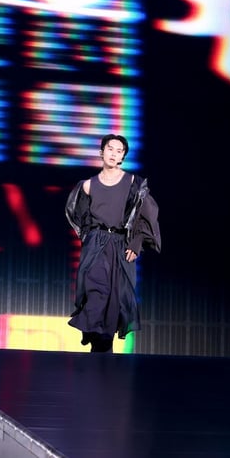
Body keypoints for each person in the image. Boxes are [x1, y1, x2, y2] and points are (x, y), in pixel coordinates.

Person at [65, 134, 161, 353]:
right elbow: (79, 216)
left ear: (123, 156)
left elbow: (145, 215)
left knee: (115, 299)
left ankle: (102, 348)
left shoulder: (134, 183)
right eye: (110, 149)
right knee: (96, 292)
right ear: (102, 152)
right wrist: (90, 238)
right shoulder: (88, 185)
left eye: (119, 151)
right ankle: (96, 340)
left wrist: (136, 243)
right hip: (96, 245)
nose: (114, 153)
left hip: (121, 245)